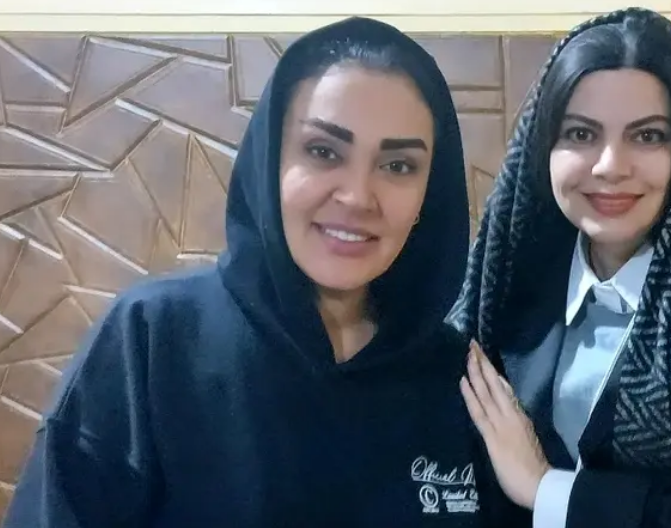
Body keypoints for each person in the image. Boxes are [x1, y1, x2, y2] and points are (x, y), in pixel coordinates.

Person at [3, 16, 526, 528]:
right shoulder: (150, 339)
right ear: (270, 160)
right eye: (323, 151)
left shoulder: (463, 380)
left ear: (428, 196)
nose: (356, 196)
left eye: (398, 166)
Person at [449, 6, 671, 528]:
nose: (610, 166)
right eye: (580, 134)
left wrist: (546, 489)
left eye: (648, 136)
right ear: (542, 145)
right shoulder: (507, 283)